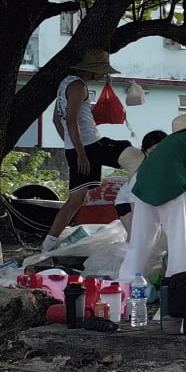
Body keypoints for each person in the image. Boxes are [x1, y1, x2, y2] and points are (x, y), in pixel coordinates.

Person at [117, 114, 186, 289]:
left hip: (144, 186)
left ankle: (124, 285)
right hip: (175, 188)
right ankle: (177, 288)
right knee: (179, 241)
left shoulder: (173, 142)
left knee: (140, 241)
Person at [42, 48, 133, 251]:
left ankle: (48, 243)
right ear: (90, 71)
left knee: (77, 199)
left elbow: (57, 120)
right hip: (89, 146)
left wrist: (70, 146)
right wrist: (80, 153)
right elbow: (71, 122)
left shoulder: (64, 84)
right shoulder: (79, 87)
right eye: (101, 71)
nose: (103, 76)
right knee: (129, 152)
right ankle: (47, 245)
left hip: (80, 146)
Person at [114, 129, 169, 236]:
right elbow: (133, 201)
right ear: (145, 152)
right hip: (127, 203)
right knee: (135, 235)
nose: (158, 155)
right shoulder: (140, 174)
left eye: (163, 150)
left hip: (150, 201)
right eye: (153, 151)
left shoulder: (169, 166)